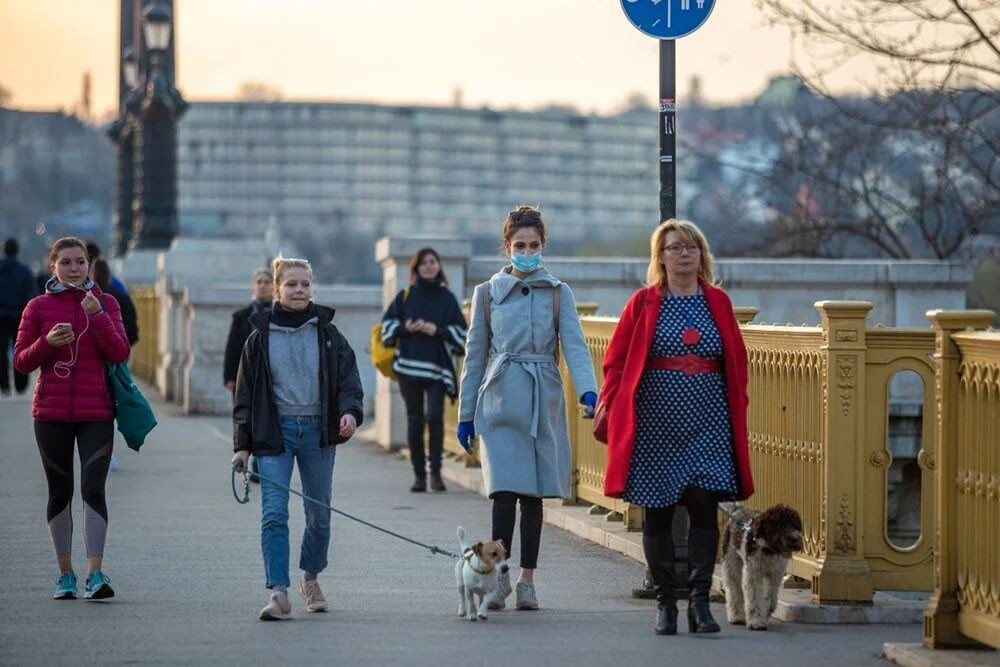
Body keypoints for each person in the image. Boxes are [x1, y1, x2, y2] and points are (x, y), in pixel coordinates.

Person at [599, 219, 754, 636]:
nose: (684, 254)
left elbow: (736, 360)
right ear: (660, 257)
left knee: (705, 507)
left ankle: (700, 604)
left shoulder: (718, 302)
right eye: (674, 248)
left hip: (708, 422)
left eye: (691, 247)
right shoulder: (644, 302)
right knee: (659, 513)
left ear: (702, 255)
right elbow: (615, 360)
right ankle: (667, 603)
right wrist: (611, 404)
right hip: (655, 426)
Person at [457, 206, 598, 611]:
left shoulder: (558, 292)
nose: (527, 251)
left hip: (542, 399)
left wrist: (589, 392)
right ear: (507, 247)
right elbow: (475, 356)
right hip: (500, 399)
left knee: (533, 495)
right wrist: (467, 414)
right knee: (503, 493)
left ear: (543, 246)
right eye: (519, 245)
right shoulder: (486, 294)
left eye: (534, 245)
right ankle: (500, 577)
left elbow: (575, 345)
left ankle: (527, 580)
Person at [230, 257, 364, 621]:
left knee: (318, 514)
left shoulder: (328, 334)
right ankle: (278, 591)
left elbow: (350, 382)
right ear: (277, 289)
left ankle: (310, 578)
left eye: (305, 284)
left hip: (318, 433)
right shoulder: (258, 337)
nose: (300, 290)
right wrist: (241, 446)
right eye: (291, 284)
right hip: (275, 433)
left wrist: (350, 413)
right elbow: (244, 396)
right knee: (274, 513)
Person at [13, 237, 131, 601]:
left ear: (89, 265)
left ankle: (96, 573)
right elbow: (21, 361)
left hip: (96, 412)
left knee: (94, 489)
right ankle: (65, 574)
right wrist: (47, 342)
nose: (74, 268)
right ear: (53, 267)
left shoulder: (106, 303)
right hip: (50, 413)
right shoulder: (37, 307)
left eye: (80, 261)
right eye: (66, 262)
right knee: (59, 492)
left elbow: (120, 352)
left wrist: (97, 316)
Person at [380, 247, 467, 492]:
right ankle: (419, 476)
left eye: (433, 262)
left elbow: (460, 331)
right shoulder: (406, 295)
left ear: (439, 266)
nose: (429, 266)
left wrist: (436, 331)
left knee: (435, 418)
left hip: (437, 367)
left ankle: (436, 474)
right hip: (408, 365)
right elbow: (387, 324)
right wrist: (408, 328)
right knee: (415, 420)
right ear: (416, 268)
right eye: (424, 263)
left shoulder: (447, 298)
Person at [224, 269, 274, 483]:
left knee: (266, 419)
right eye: (259, 282)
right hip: (245, 377)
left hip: (269, 376)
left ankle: (259, 463)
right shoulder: (241, 316)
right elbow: (233, 348)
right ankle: (249, 457)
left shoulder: (278, 314)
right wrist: (230, 376)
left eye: (267, 282)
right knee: (247, 419)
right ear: (254, 286)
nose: (263, 285)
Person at [1, 238, 36, 395]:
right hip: (19, 315)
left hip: (1, 316)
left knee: (1, 351)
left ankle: (4, 385)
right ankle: (20, 384)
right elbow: (31, 293)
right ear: (17, 251)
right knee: (20, 349)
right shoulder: (24, 270)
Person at [93, 260, 139, 347]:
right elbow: (132, 327)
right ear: (109, 275)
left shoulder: (86, 298)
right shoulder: (122, 296)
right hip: (120, 347)